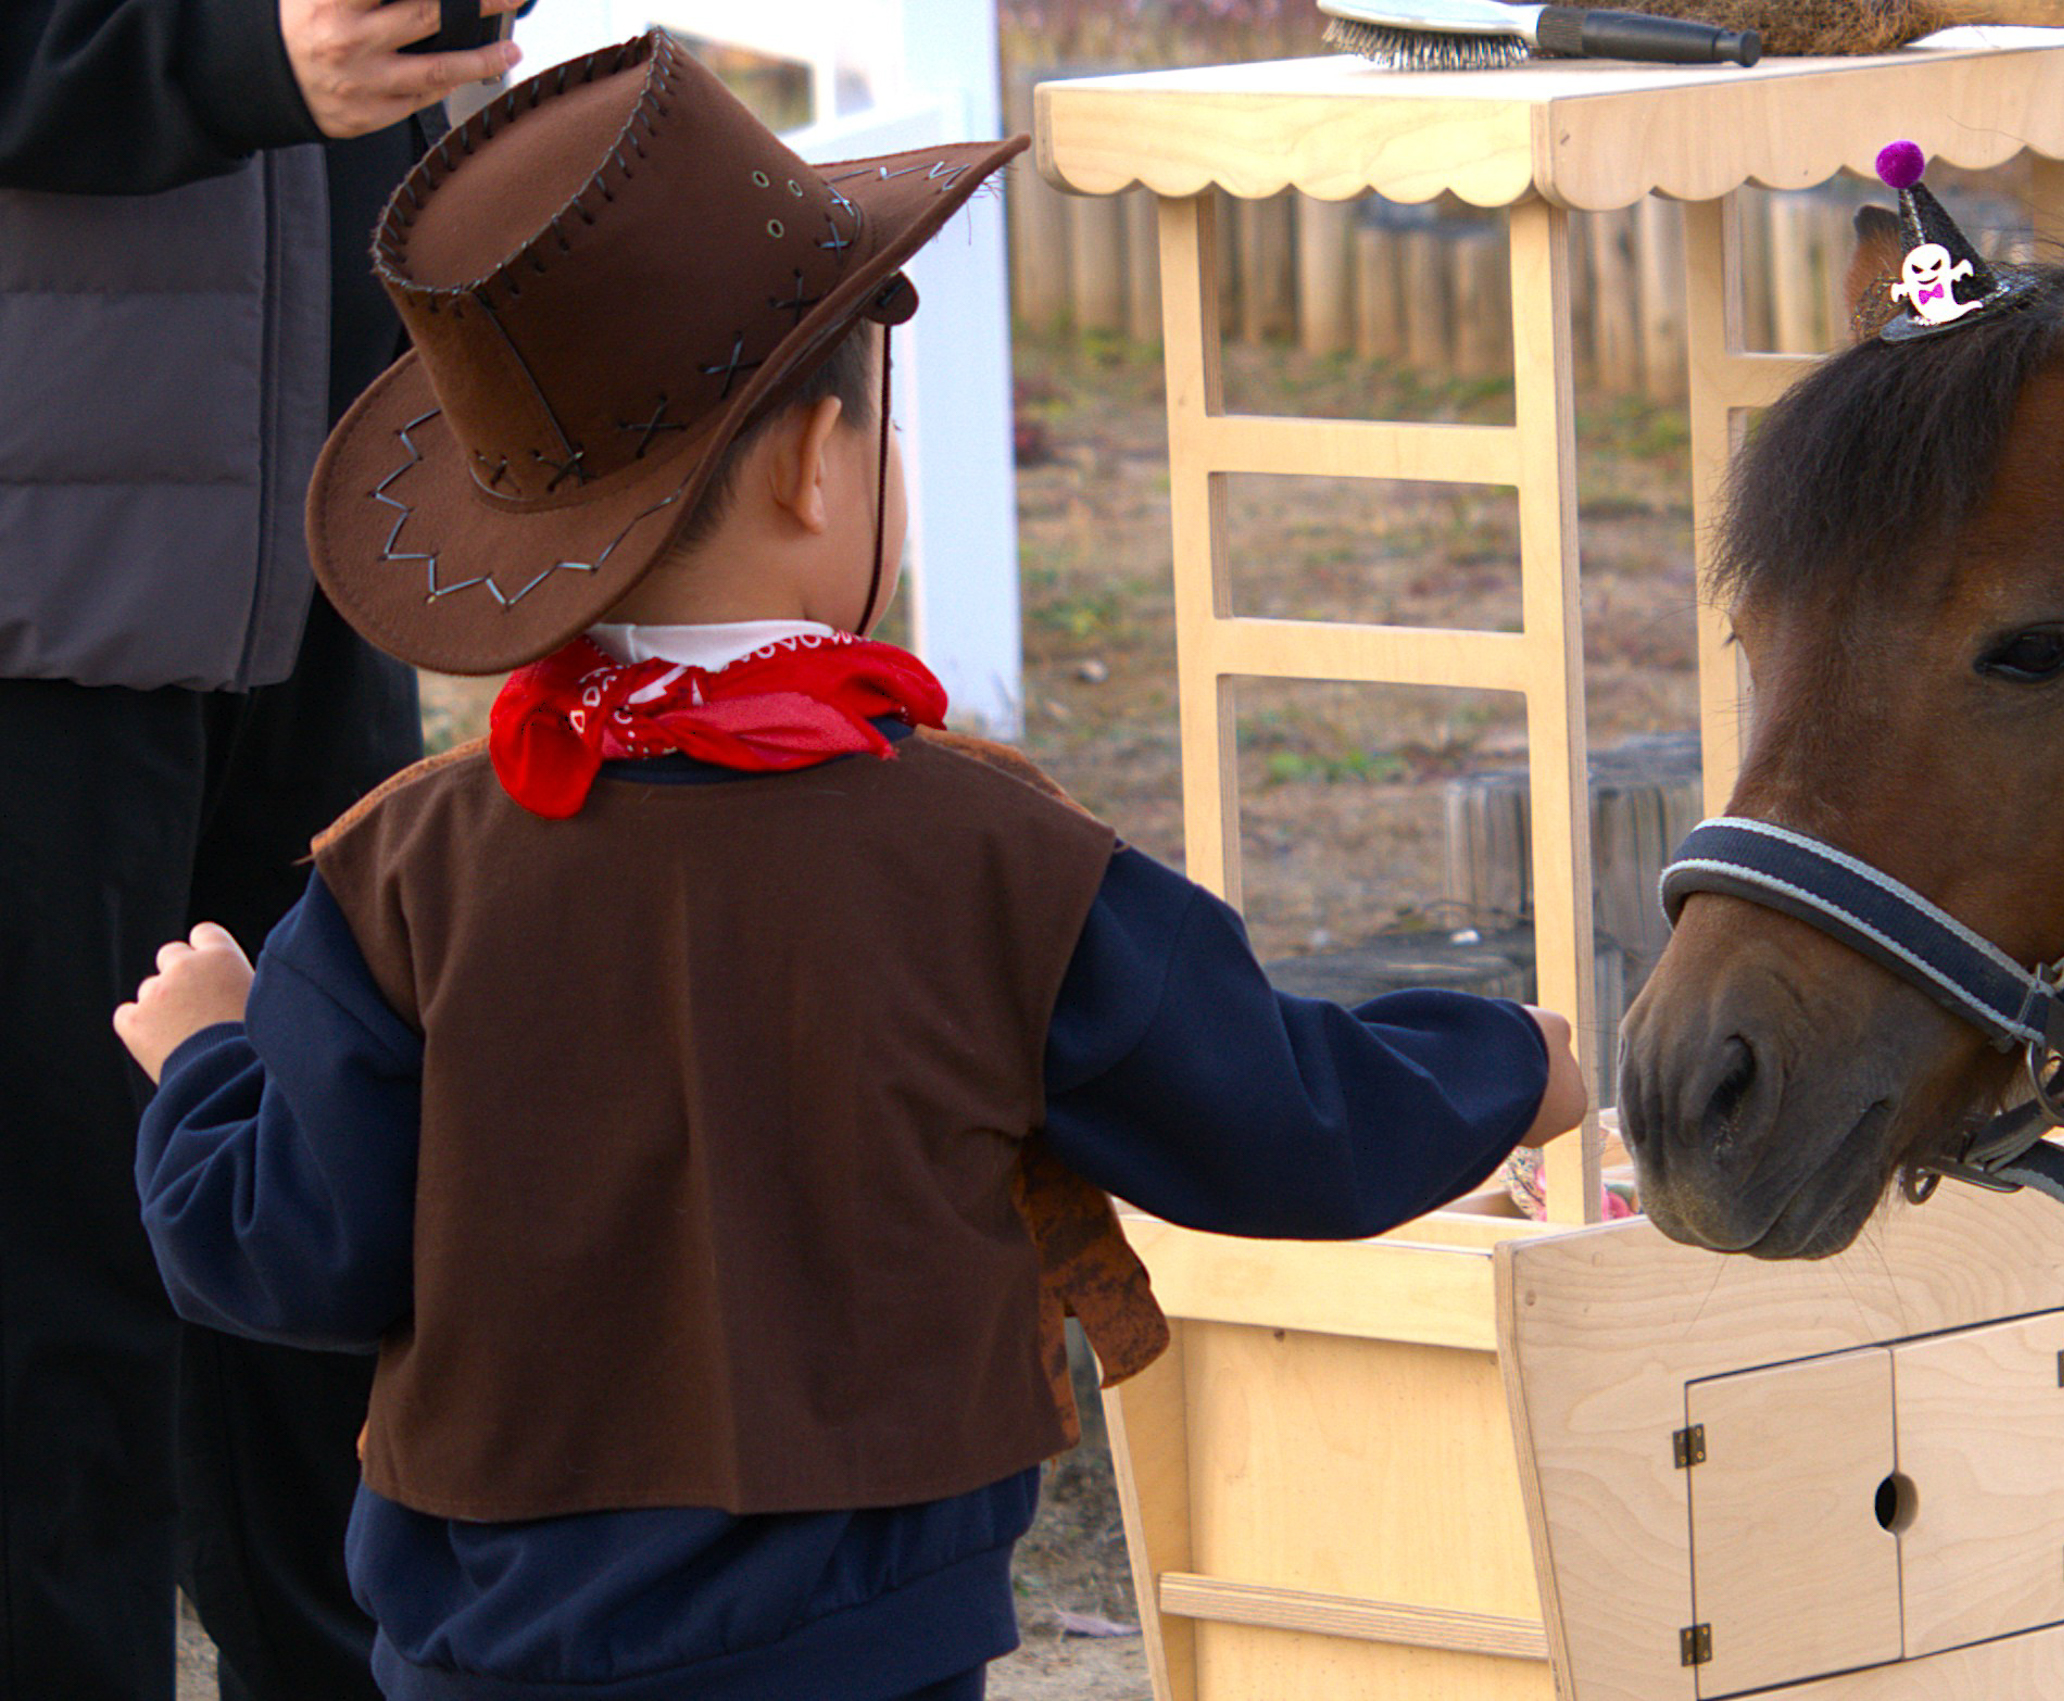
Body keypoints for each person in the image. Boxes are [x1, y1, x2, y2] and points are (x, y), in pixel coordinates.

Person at [106, 32, 1590, 1701]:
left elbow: (281, 1248)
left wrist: (210, 1063)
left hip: (490, 1651)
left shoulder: (395, 876)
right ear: (822, 472)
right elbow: (1282, 1117)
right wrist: (1512, 1063)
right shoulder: (992, 858)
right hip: (867, 1657)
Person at [0, 3, 519, 1696]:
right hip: (34, 599)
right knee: (56, 1289)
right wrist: (220, 58)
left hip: (316, 557)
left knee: (325, 1233)